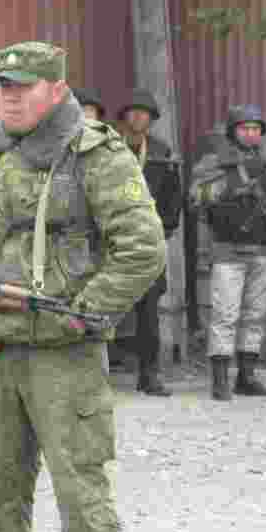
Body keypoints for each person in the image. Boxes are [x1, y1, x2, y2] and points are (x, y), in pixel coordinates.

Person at [0, 42, 166, 532]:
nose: (7, 99)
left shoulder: (95, 153)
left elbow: (144, 249)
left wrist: (82, 313)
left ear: (57, 90)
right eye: (1, 87)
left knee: (82, 501)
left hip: (64, 355)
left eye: (22, 88)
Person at [188, 104, 266, 400]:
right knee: (225, 315)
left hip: (265, 249)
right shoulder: (214, 162)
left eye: (255, 129)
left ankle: (246, 377)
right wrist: (231, 187)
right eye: (244, 128)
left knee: (255, 316)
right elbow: (196, 198)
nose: (250, 133)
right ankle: (220, 381)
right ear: (233, 132)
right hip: (228, 250)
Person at [113, 89, 183, 396]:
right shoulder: (110, 148)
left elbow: (173, 194)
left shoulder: (161, 151)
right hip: (112, 238)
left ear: (152, 119)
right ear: (124, 117)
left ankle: (149, 373)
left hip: (148, 240)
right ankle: (98, 372)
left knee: (149, 307)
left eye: (145, 112)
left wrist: (165, 228)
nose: (139, 117)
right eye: (133, 111)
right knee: (104, 304)